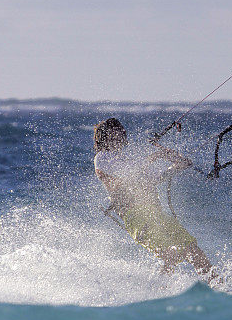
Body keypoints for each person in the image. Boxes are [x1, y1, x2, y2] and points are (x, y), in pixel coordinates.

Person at [94, 117, 221, 284]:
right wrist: (156, 156)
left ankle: (220, 289)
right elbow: (130, 173)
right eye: (112, 135)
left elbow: (163, 174)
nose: (118, 137)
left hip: (157, 215)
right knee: (172, 253)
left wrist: (172, 160)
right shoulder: (102, 158)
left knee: (194, 251)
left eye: (119, 134)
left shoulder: (128, 159)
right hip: (136, 217)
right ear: (104, 138)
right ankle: (156, 293)